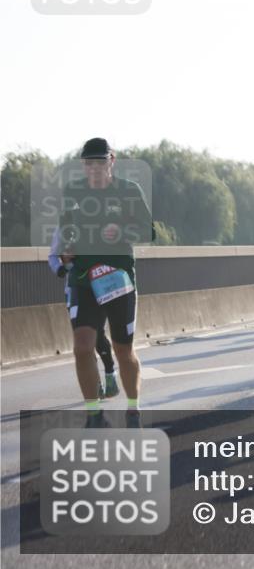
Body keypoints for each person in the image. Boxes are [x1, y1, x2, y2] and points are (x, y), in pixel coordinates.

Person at [58, 138, 153, 428]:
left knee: (123, 350)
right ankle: (93, 414)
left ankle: (133, 408)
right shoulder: (72, 192)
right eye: (89, 164)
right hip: (84, 279)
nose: (95, 169)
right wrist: (66, 250)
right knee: (82, 346)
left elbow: (148, 231)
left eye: (100, 162)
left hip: (118, 280)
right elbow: (65, 231)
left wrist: (121, 229)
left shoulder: (128, 190)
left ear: (111, 161)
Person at [48, 224, 118, 400]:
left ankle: (110, 372)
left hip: (99, 287)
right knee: (83, 342)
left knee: (98, 335)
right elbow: (53, 256)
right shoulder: (62, 226)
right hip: (74, 291)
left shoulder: (101, 221)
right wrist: (61, 267)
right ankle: (95, 384)